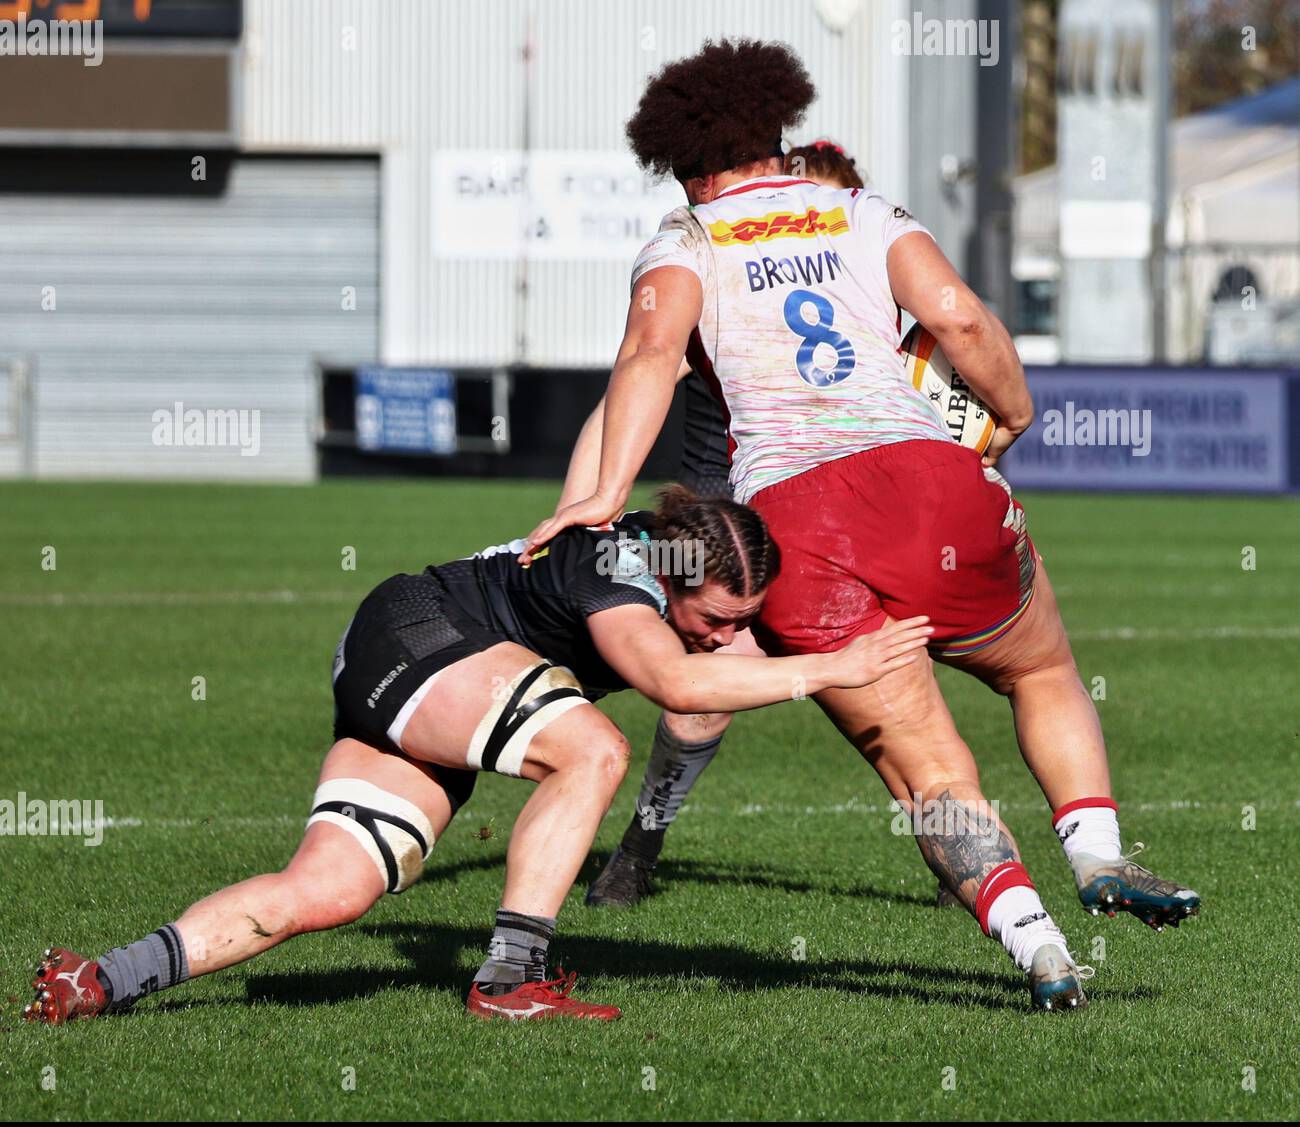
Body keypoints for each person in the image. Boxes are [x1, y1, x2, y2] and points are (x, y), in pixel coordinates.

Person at [524, 39, 1199, 1011]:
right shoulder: (863, 211)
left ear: (684, 162)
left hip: (797, 523)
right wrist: (1013, 413)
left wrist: (598, 492)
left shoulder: (685, 238)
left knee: (922, 764)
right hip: (936, 481)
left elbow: (646, 354)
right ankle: (1094, 849)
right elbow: (959, 317)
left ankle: (1040, 945)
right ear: (777, 134)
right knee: (1040, 666)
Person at [24, 488, 931, 1025]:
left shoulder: (667, 566)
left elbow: (712, 659)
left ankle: (102, 976)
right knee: (593, 750)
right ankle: (511, 976)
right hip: (419, 635)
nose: (732, 638)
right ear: (678, 577)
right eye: (723, 620)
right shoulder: (624, 572)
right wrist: (836, 669)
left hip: (414, 673)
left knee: (328, 891)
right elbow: (681, 687)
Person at [577, 141, 870, 909]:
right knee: (696, 685)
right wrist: (589, 502)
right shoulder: (726, 284)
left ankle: (954, 838)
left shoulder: (868, 300)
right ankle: (639, 845)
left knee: (880, 680)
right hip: (722, 530)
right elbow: (631, 386)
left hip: (824, 522)